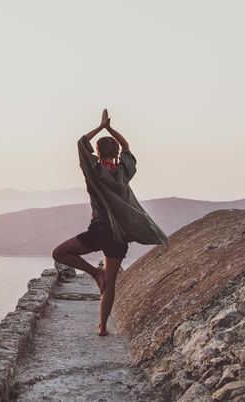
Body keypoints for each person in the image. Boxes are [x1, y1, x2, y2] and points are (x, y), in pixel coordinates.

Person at [52, 108, 169, 336]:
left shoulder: (94, 171)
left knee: (59, 253)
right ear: (116, 153)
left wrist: (101, 126)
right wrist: (111, 128)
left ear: (97, 152)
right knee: (111, 282)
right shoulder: (124, 171)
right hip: (119, 236)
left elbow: (81, 142)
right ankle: (103, 327)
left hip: (100, 230)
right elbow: (127, 147)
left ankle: (94, 273)